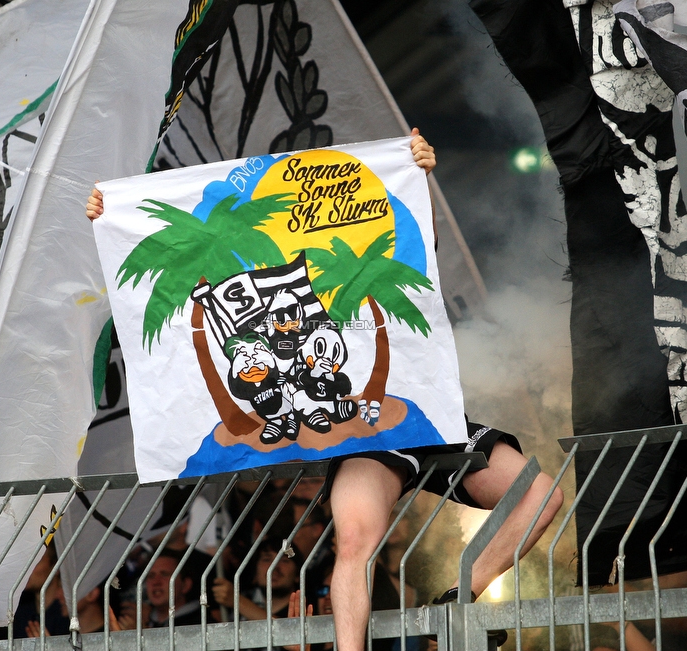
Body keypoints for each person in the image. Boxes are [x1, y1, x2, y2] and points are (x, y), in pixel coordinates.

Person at [85, 130, 564, 651]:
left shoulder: (346, 270)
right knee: (356, 542)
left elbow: (412, 263)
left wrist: (417, 170)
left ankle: (460, 599)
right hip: (361, 441)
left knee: (543, 494)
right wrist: (113, 217)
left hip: (424, 419)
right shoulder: (257, 303)